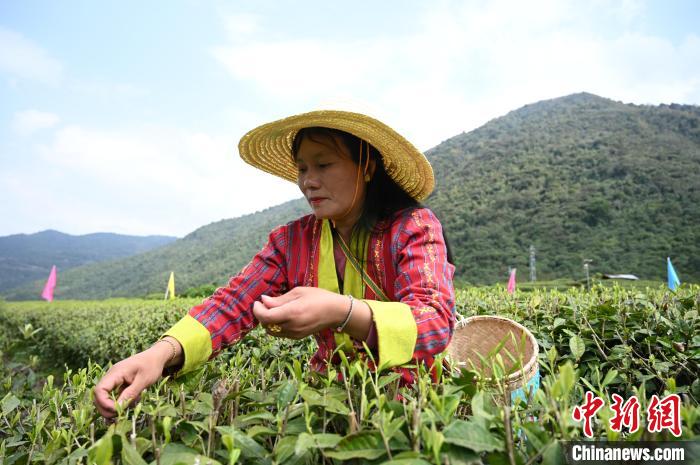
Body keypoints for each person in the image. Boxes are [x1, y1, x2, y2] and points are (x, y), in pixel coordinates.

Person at [94, 110, 456, 419]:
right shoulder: (292, 241)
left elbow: (435, 321)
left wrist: (341, 312)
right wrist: (160, 354)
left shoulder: (413, 227)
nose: (308, 182)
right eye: (302, 168)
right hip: (327, 403)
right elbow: (234, 303)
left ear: (367, 166)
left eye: (324, 165)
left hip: (412, 407)